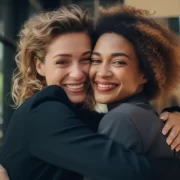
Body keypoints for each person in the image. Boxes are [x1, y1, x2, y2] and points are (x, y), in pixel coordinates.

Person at [1, 4, 180, 180]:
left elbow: (141, 129)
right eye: (62, 62)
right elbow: (127, 169)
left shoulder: (82, 117)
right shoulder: (41, 113)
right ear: (39, 66)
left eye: (87, 59)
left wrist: (172, 114)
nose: (78, 74)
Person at [89, 4, 180, 157]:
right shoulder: (146, 117)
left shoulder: (121, 119)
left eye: (118, 62)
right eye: (95, 60)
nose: (102, 73)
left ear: (144, 74)